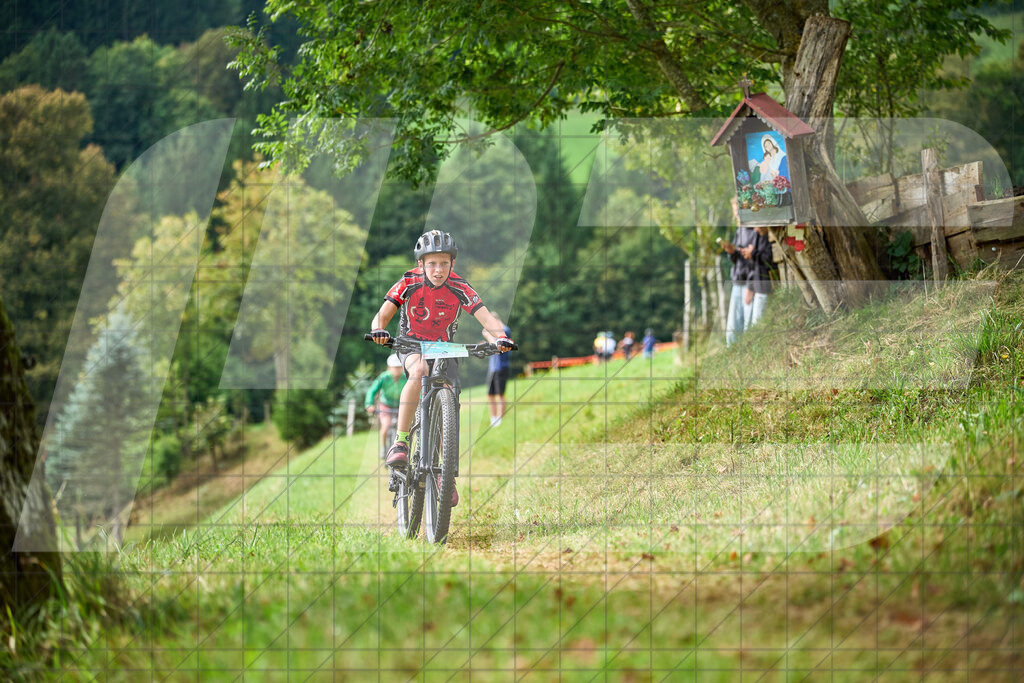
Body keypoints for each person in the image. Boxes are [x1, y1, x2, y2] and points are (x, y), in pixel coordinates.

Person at [368, 229, 514, 507]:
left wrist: (502, 337)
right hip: (409, 344)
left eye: (444, 263)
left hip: (443, 349)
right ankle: (400, 442)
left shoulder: (460, 286)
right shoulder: (408, 282)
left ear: (452, 264)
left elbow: (486, 317)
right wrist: (378, 330)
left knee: (451, 398)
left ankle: (445, 474)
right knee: (420, 370)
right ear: (421, 264)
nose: (438, 270)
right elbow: (384, 313)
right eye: (432, 263)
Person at [721, 197, 758, 347]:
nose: (737, 213)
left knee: (748, 325)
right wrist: (732, 252)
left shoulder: (755, 231)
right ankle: (733, 353)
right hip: (738, 282)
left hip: (749, 284)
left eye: (739, 210)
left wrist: (751, 286)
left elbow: (755, 261)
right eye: (735, 211)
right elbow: (739, 260)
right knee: (733, 328)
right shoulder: (740, 230)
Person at [364, 353, 406, 460]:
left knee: (405, 428)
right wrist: (369, 404)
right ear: (389, 367)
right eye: (394, 367)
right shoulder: (384, 377)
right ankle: (384, 448)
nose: (396, 370)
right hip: (385, 405)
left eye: (399, 367)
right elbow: (372, 390)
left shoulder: (406, 377)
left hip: (401, 406)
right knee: (386, 426)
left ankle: (403, 450)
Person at [745, 226, 775, 329]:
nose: (756, 229)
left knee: (758, 324)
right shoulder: (757, 236)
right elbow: (752, 266)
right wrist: (750, 287)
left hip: (766, 287)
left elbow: (768, 260)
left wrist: (753, 253)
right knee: (754, 323)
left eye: (758, 226)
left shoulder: (770, 238)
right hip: (758, 287)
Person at [487, 324, 512, 427]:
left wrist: (487, 335)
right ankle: (493, 419)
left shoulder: (505, 330)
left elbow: (498, 345)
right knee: (490, 395)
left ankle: (500, 419)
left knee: (500, 394)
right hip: (493, 368)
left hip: (501, 367)